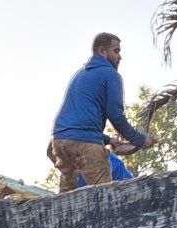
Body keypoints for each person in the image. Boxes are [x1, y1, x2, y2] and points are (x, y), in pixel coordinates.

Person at [49, 33, 152, 193]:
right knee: (104, 194)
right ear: (102, 51)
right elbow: (116, 115)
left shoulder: (80, 74)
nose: (120, 57)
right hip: (84, 143)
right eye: (116, 51)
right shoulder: (111, 74)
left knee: (66, 195)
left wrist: (109, 140)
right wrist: (140, 140)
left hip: (59, 141)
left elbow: (77, 122)